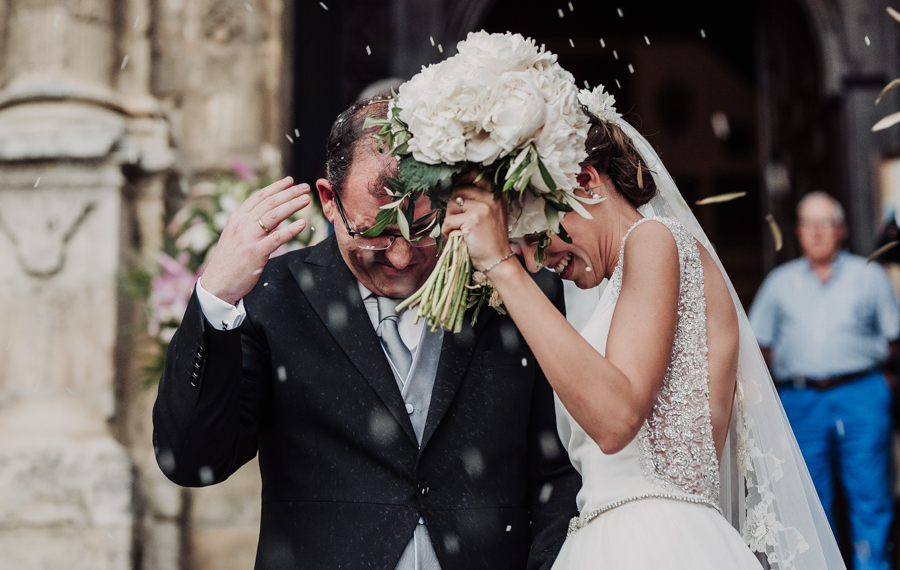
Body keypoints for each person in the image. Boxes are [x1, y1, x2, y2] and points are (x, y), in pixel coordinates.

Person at [151, 96, 580, 570]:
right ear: (329, 201)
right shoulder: (273, 296)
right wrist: (215, 298)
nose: (400, 257)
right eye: (376, 233)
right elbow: (190, 460)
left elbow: (559, 472)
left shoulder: (518, 295)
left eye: (422, 230)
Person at [442, 100, 847, 569]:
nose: (535, 261)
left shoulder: (655, 239)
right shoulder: (619, 282)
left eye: (536, 238)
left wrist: (501, 267)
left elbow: (616, 419)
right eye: (520, 246)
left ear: (586, 181)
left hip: (658, 543)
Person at [749, 191, 900, 570]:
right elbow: (756, 347)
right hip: (800, 400)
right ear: (798, 232)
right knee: (808, 498)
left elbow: (895, 340)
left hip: (860, 394)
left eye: (825, 224)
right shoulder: (779, 283)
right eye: (808, 224)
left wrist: (884, 385)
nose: (816, 233)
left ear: (841, 230)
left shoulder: (869, 276)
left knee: (870, 495)